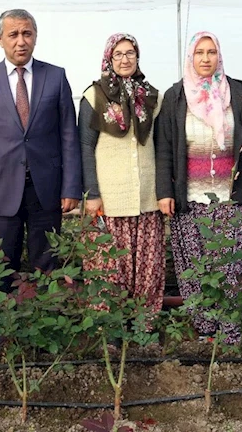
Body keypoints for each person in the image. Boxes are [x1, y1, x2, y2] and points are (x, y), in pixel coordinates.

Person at [154, 31, 242, 343]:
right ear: (190, 57)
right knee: (195, 268)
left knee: (234, 266)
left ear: (219, 56)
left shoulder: (238, 93)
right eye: (199, 53)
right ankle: (206, 331)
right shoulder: (175, 97)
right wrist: (164, 192)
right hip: (190, 201)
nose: (206, 59)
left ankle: (233, 333)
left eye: (211, 52)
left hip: (230, 200)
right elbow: (164, 148)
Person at [0, 9, 81, 290]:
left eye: (27, 33)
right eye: (13, 34)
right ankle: (4, 331)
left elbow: (69, 135)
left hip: (47, 189)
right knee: (2, 267)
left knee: (48, 264)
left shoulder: (55, 76)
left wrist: (71, 188)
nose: (21, 41)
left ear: (35, 37)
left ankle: (46, 326)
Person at [79, 33, 164, 318]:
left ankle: (145, 324)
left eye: (130, 53)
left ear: (138, 57)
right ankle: (111, 328)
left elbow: (161, 146)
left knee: (147, 268)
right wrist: (92, 193)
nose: (125, 59)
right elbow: (85, 147)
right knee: (108, 267)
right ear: (109, 58)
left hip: (146, 198)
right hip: (110, 200)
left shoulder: (153, 97)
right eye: (119, 54)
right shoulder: (94, 96)